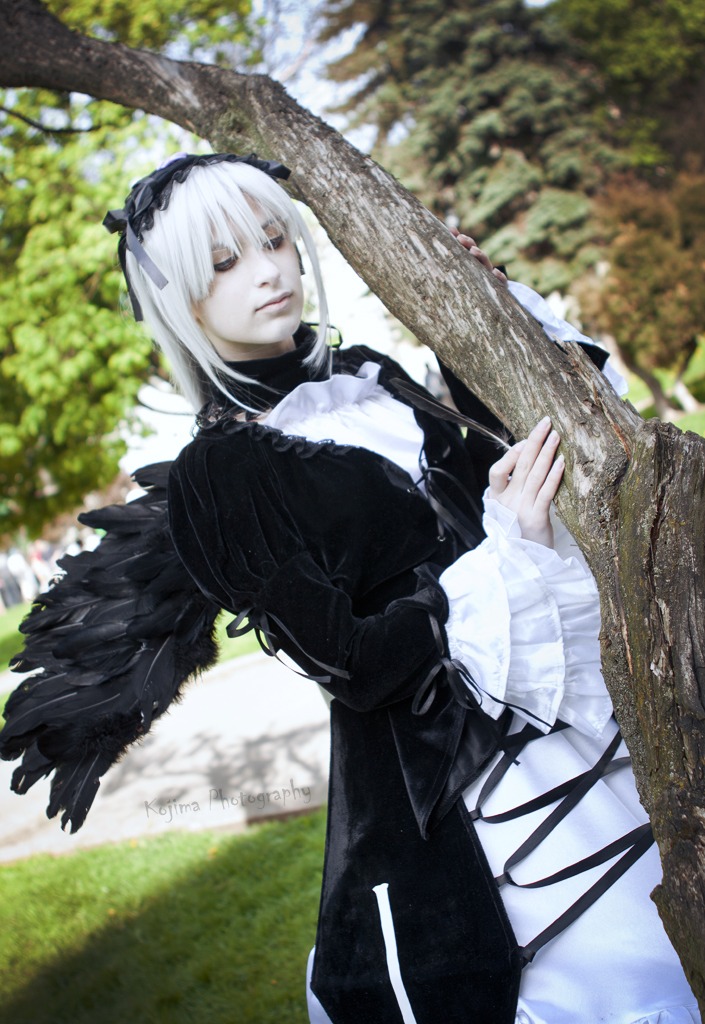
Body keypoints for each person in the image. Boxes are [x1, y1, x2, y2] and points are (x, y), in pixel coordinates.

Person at [0, 153, 698, 1024]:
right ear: (183, 299)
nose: (266, 271)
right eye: (223, 262)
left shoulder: (368, 375)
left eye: (273, 240)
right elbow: (355, 666)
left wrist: (489, 313)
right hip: (457, 792)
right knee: (626, 973)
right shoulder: (223, 471)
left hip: (580, 714)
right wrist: (497, 559)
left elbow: (527, 461)